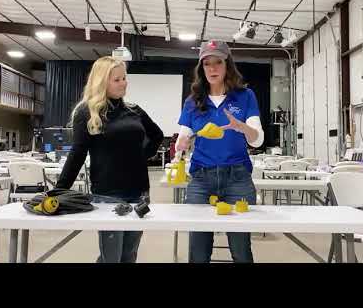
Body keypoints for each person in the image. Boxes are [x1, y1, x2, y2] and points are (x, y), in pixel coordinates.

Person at [56, 56, 164, 263]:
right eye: (117, 79)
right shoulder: (86, 111)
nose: (123, 83)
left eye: (124, 78)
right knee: (111, 257)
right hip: (108, 194)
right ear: (101, 81)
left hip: (140, 193)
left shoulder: (134, 110)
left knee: (129, 255)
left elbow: (157, 135)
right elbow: (78, 152)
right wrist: (59, 190)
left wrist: (142, 157)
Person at [175, 40, 264, 263]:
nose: (212, 69)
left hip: (238, 178)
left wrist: (241, 126)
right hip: (201, 179)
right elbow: (182, 137)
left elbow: (257, 140)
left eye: (218, 62)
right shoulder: (193, 100)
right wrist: (181, 144)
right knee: (198, 251)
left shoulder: (245, 96)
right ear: (201, 68)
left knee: (241, 250)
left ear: (227, 65)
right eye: (207, 64)